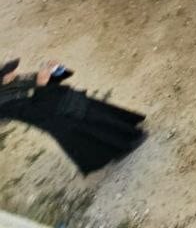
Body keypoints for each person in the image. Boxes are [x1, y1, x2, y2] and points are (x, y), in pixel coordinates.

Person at [0, 58, 147, 174]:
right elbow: (38, 112)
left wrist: (56, 69)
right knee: (96, 130)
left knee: (102, 115)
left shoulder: (14, 81)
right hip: (62, 119)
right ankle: (125, 145)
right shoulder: (5, 104)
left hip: (68, 102)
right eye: (7, 73)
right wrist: (42, 86)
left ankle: (128, 130)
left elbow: (57, 78)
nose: (12, 73)